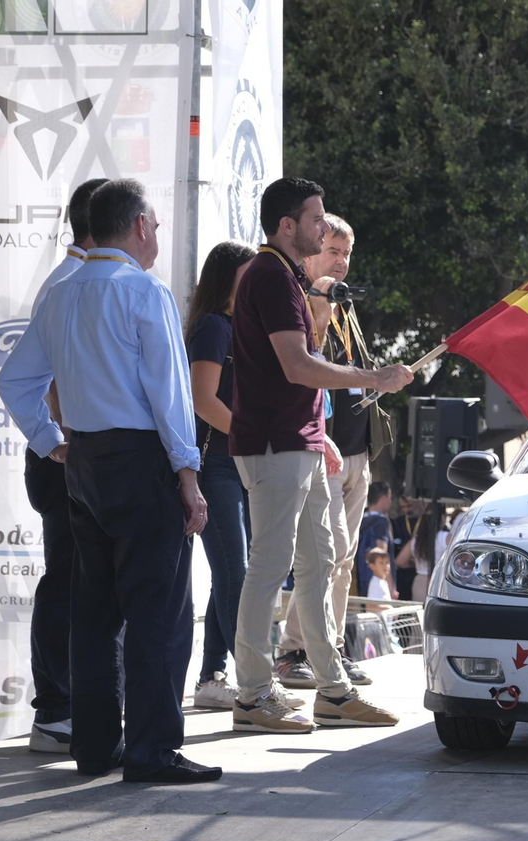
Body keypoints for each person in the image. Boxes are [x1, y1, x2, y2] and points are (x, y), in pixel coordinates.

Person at [0, 178, 220, 784]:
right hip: (141, 459)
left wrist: (52, 444)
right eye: (157, 225)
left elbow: (13, 383)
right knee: (158, 612)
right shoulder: (144, 291)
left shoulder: (61, 292)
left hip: (86, 460)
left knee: (94, 612)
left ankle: (96, 747)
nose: (158, 237)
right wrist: (188, 475)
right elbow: (169, 396)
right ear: (141, 225)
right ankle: (151, 750)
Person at [227, 177, 412, 734]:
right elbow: (298, 366)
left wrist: (321, 431)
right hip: (274, 443)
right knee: (272, 565)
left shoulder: (283, 277)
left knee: (320, 561)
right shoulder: (270, 276)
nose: (324, 229)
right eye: (315, 220)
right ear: (287, 226)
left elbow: (302, 362)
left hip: (298, 441)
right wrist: (375, 376)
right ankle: (254, 693)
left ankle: (332, 690)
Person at [21, 176, 108, 754]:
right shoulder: (71, 282)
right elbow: (41, 381)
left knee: (79, 582)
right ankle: (55, 710)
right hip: (68, 462)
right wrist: (58, 441)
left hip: (76, 457)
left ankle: (71, 705)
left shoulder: (77, 279)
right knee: (66, 583)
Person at [275, 214, 373, 690]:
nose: (341, 261)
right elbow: (306, 365)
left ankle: (328, 646)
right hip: (320, 447)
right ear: (312, 251)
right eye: (332, 250)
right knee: (323, 552)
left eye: (347, 253)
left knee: (344, 557)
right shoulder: (298, 298)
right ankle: (294, 649)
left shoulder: (344, 302)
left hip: (357, 449)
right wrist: (318, 310)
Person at [185, 241, 258, 710]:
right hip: (217, 464)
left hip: (239, 463)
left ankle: (214, 674)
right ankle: (255, 683)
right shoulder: (213, 327)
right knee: (237, 574)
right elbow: (202, 399)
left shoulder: (239, 326)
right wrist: (251, 432)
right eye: (249, 274)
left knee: (231, 573)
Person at [356, 481, 394, 597]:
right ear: (383, 498)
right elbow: (381, 554)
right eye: (390, 497)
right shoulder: (381, 522)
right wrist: (391, 587)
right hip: (378, 582)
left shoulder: (360, 519)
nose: (391, 501)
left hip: (361, 579)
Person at [390, 495, 420, 601]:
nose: (407, 509)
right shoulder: (398, 522)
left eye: (409, 506)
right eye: (403, 507)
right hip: (403, 573)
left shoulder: (424, 521)